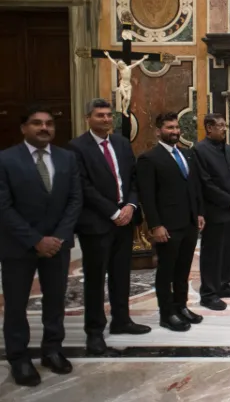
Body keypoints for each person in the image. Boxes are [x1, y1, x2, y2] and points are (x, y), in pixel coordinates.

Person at [0, 106, 82, 386]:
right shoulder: (5, 159)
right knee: (16, 304)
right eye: (36, 123)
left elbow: (75, 199)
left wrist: (57, 237)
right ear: (24, 128)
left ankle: (52, 350)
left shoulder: (67, 158)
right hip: (18, 246)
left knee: (55, 300)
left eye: (48, 123)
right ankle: (19, 358)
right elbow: (3, 206)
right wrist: (35, 240)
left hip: (58, 245)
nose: (44, 128)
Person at [68, 99, 151, 356]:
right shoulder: (76, 147)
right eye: (100, 115)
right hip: (97, 224)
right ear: (88, 118)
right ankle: (94, 331)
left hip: (125, 221)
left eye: (108, 115)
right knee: (95, 279)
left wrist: (131, 207)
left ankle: (121, 320)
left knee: (121, 274)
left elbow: (134, 179)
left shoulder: (122, 143)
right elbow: (83, 186)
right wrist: (113, 211)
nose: (106, 119)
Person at [137, 112, 205, 332]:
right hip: (167, 226)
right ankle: (166, 314)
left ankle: (181, 307)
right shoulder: (150, 158)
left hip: (189, 223)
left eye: (176, 127)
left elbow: (194, 187)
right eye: (169, 128)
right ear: (159, 131)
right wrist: (155, 225)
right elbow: (147, 196)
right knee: (166, 271)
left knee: (183, 269)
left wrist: (199, 213)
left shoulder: (186, 155)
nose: (174, 131)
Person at [194, 113, 230, 311]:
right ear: (208, 128)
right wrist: (228, 200)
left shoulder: (229, 149)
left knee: (228, 251)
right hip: (214, 210)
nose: (224, 129)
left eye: (225, 125)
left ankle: (223, 285)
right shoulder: (200, 150)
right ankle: (209, 293)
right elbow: (205, 182)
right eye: (220, 126)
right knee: (212, 254)